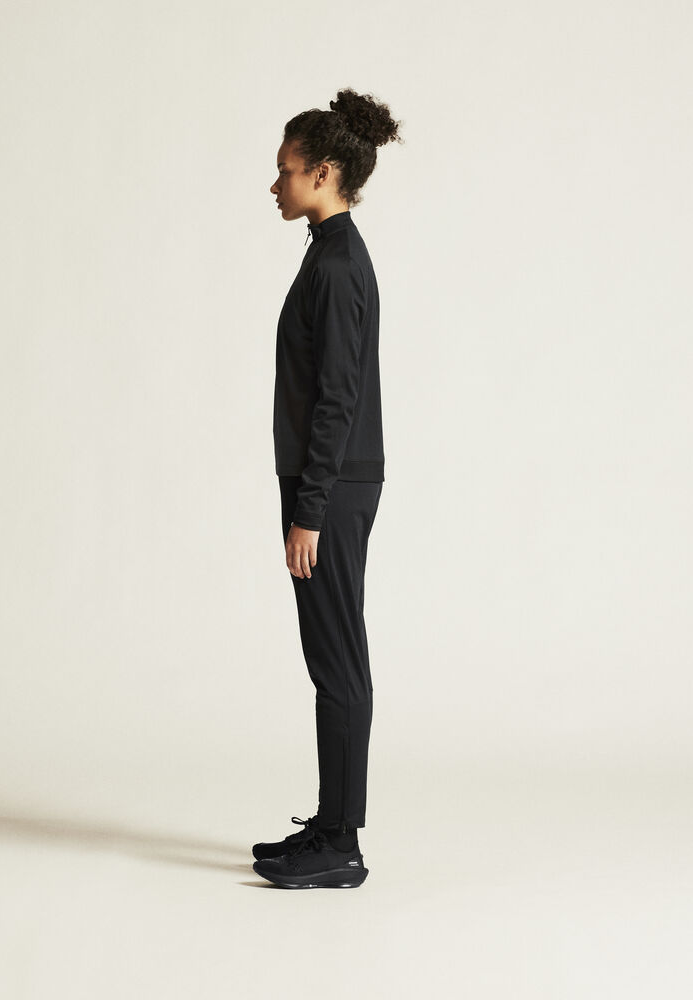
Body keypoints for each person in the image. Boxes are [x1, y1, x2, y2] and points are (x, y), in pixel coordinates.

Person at [252, 88, 403, 889]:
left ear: (324, 173)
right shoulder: (328, 251)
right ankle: (331, 823)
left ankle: (341, 844)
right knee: (333, 657)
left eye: (285, 170)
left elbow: (338, 398)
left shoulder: (339, 264)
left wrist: (308, 511)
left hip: (333, 489)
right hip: (330, 484)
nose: (274, 184)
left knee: (337, 660)